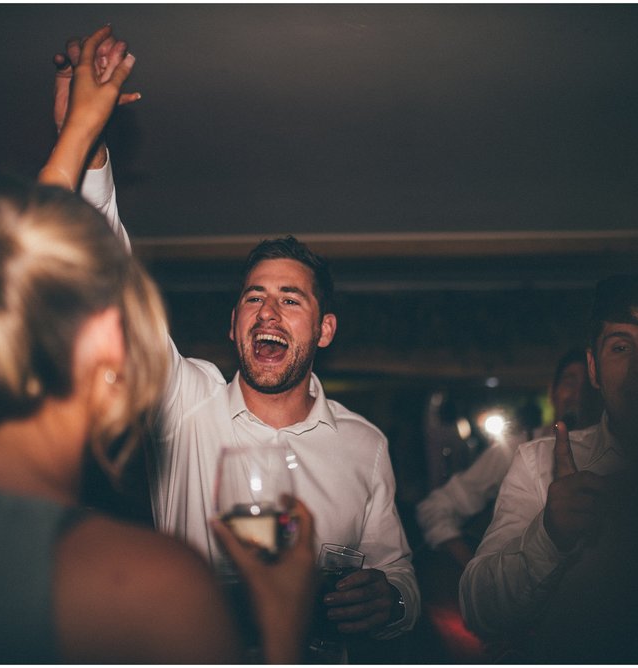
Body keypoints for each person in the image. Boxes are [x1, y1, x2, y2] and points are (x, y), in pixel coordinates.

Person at [0, 26, 317, 664]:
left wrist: (79, 137)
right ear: (106, 346)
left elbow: (17, 269)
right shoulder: (148, 587)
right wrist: (284, 617)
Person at [52, 36, 420, 641]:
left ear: (325, 330)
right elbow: (110, 281)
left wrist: (392, 601)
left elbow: (396, 571)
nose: (267, 313)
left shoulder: (365, 444)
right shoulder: (184, 403)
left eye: (290, 299)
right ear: (234, 325)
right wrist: (84, 139)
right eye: (253, 297)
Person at [458, 274, 638, 662]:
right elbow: (480, 608)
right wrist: (550, 535)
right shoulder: (537, 462)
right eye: (621, 347)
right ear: (594, 369)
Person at [416, 348, 601, 570]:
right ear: (552, 391)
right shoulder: (516, 448)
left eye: (589, 386)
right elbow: (435, 508)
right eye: (570, 383)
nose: (579, 395)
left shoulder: (615, 455)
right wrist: (471, 568)